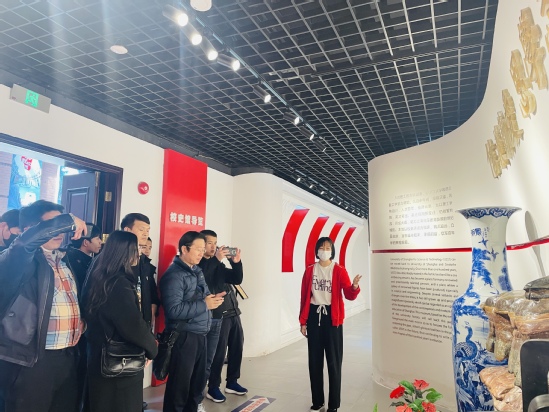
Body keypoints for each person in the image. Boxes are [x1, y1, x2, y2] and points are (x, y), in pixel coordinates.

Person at [0, 200, 88, 412]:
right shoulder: (18, 260)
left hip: (67, 356)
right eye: (53, 224)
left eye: (62, 225)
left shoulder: (64, 261)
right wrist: (68, 220)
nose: (61, 231)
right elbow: (24, 245)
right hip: (31, 360)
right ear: (29, 229)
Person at [83, 230, 158, 412]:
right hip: (118, 362)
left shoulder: (101, 276)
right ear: (125, 252)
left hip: (99, 356)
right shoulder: (119, 284)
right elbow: (132, 326)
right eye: (136, 249)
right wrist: (152, 348)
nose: (139, 254)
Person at [160, 231, 225, 412]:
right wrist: (205, 304)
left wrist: (212, 299)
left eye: (203, 249)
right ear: (184, 249)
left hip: (200, 333)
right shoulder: (174, 275)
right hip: (184, 335)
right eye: (198, 249)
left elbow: (204, 297)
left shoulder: (197, 271)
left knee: (196, 386)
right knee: (179, 388)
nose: (201, 253)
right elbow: (173, 310)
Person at [299, 237, 362, 412]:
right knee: (314, 362)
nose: (324, 250)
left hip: (332, 319)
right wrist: (303, 321)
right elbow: (304, 297)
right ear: (316, 250)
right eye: (321, 247)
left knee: (334, 363)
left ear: (332, 251)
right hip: (314, 317)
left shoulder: (339, 270)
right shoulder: (310, 270)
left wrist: (354, 286)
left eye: (328, 247)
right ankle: (317, 402)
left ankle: (333, 405)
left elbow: (348, 294)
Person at [199, 230, 246, 405]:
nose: (213, 246)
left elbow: (236, 278)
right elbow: (204, 276)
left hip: (233, 311)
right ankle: (213, 387)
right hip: (218, 314)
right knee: (218, 353)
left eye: (215, 242)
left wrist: (236, 262)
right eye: (209, 243)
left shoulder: (218, 264)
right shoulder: (201, 264)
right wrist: (217, 259)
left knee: (237, 347)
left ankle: (232, 381)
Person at [65, 223, 102, 412]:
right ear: (86, 242)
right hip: (78, 323)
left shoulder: (91, 260)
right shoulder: (71, 260)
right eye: (97, 239)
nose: (101, 242)